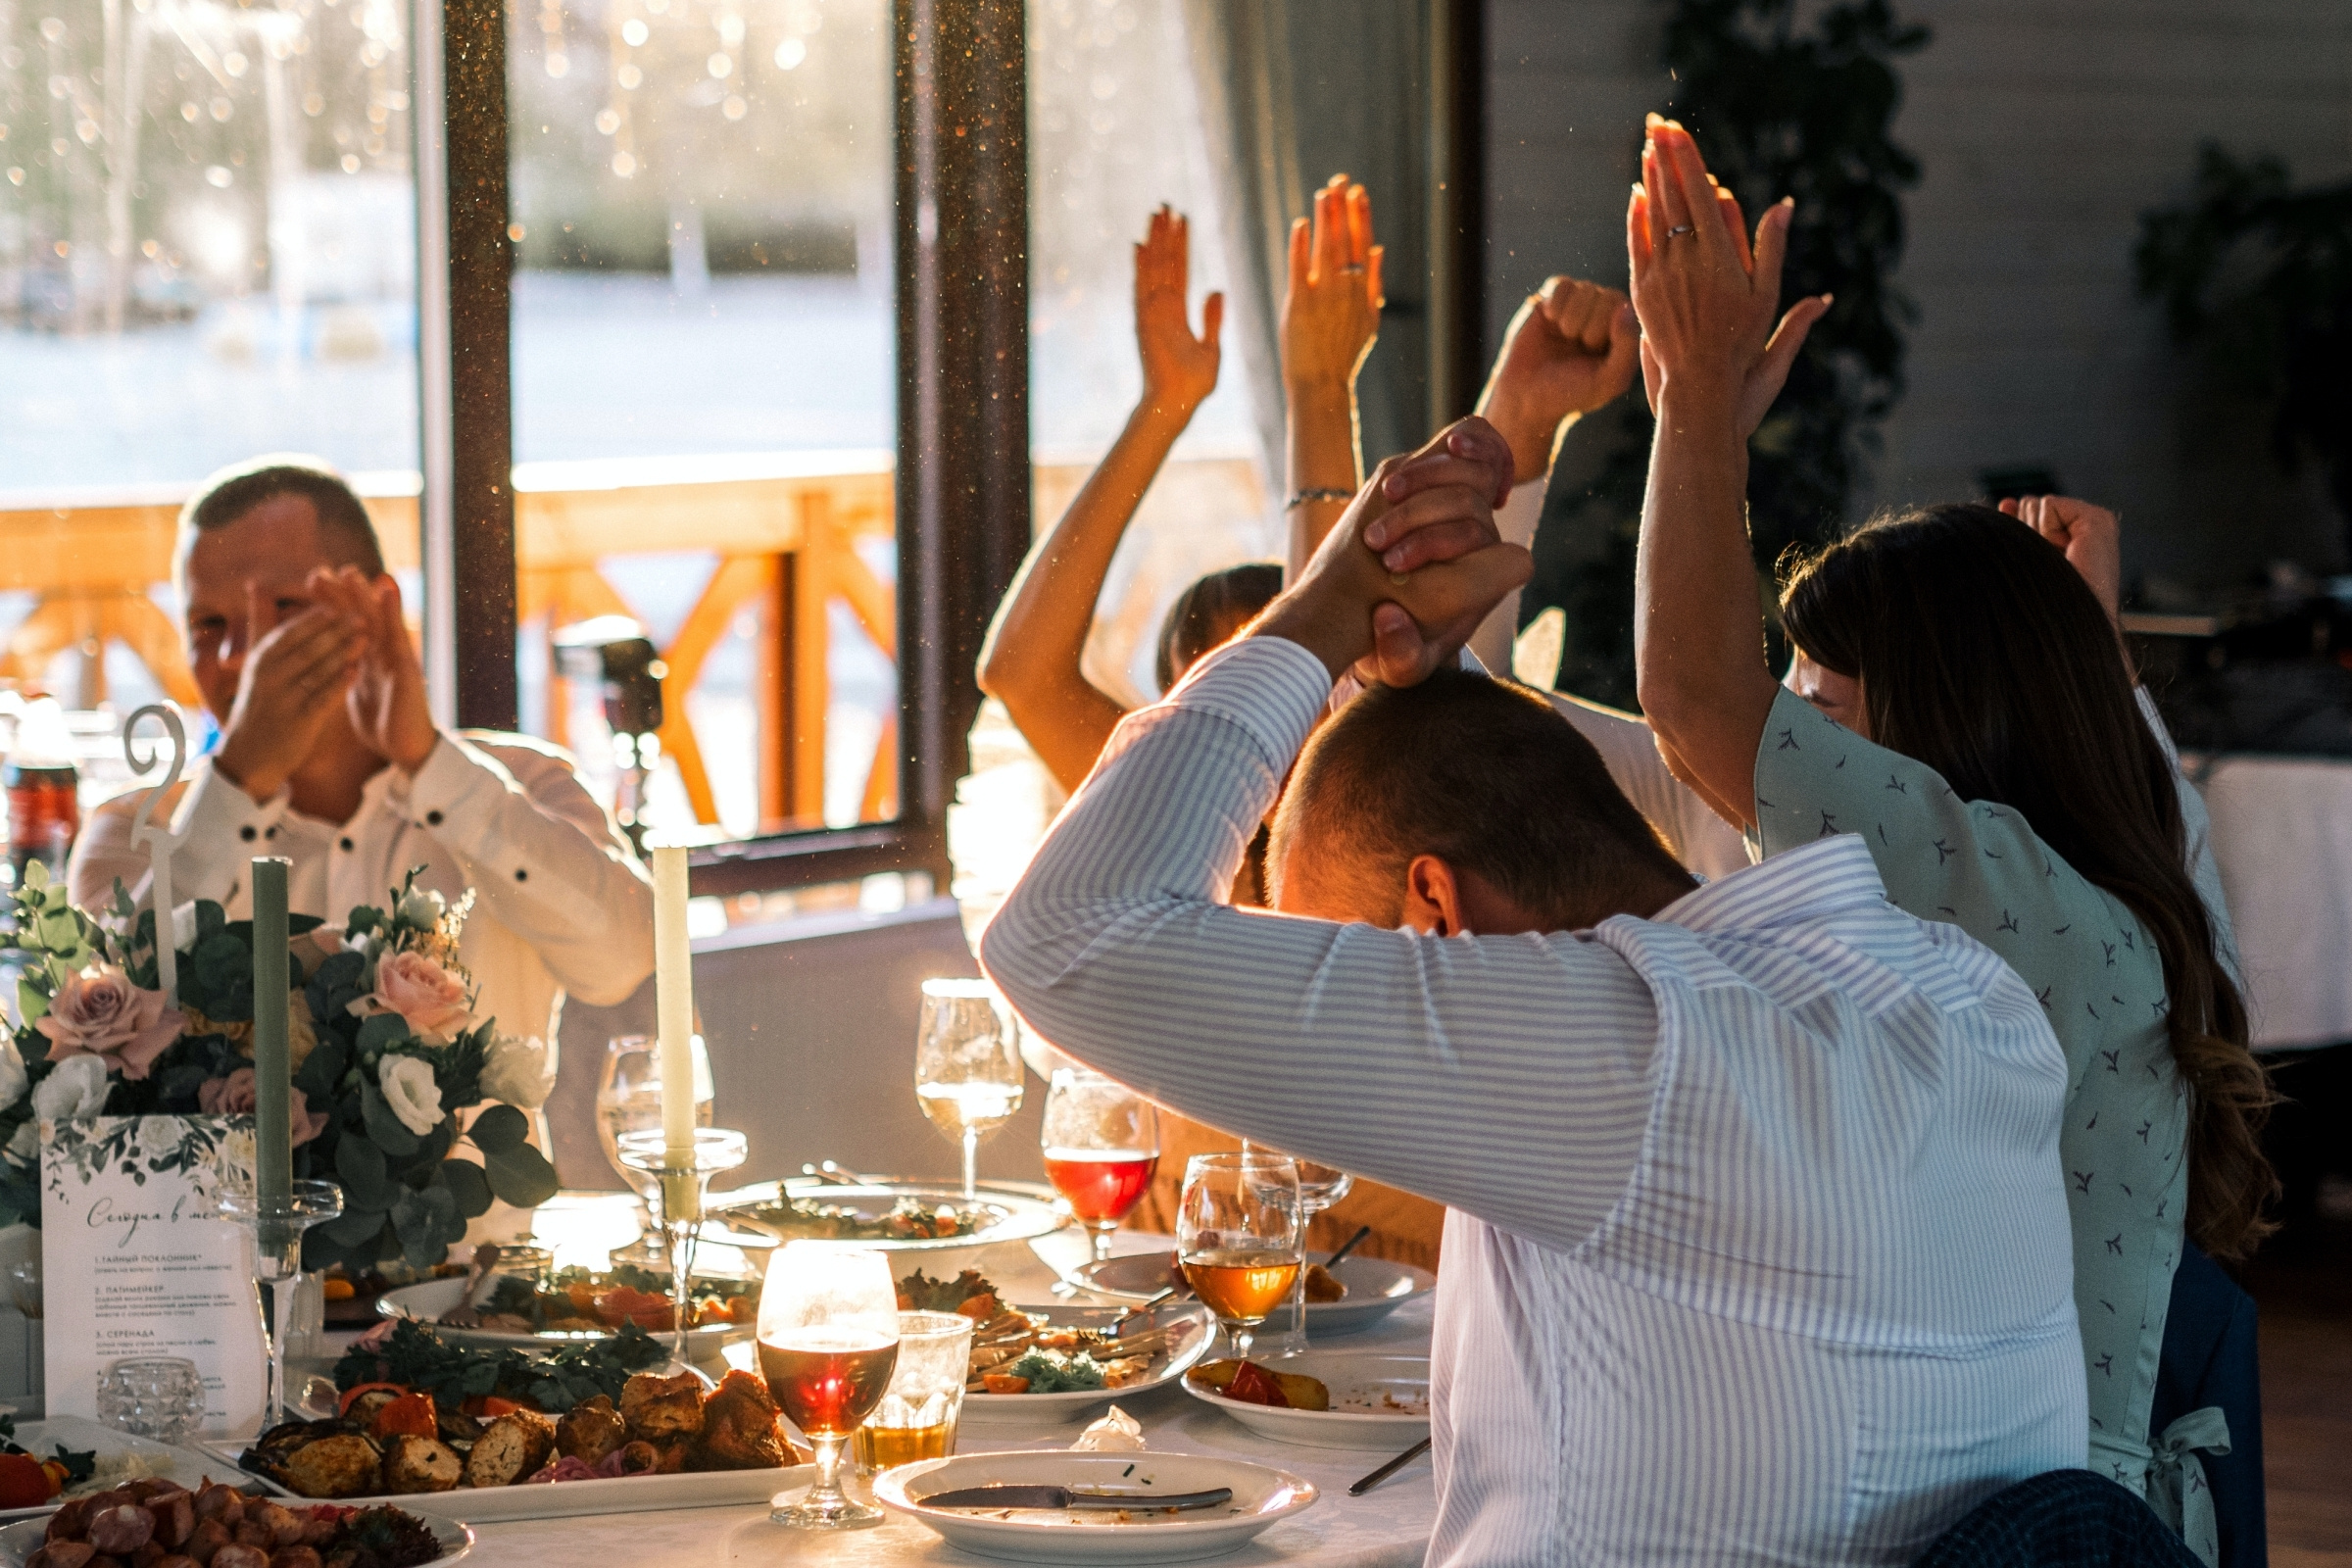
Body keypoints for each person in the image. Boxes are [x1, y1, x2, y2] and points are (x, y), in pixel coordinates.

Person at [981, 416, 2087, 1565]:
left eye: (1345, 957)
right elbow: (1498, 779)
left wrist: (1319, 612)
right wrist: (1411, 657)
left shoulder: (1640, 1052)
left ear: (1435, 918)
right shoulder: (1973, 1001)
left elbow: (1064, 935)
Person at [1620, 116, 2274, 1512]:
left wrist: (1686, 398)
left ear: (1943, 734)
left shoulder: (2037, 906)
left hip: (2018, 1531)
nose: (1792, 742)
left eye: (1828, 710)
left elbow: (1690, 692)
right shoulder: (2064, 892)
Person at [71, 457, 657, 1073]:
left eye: (285, 610)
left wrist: (431, 764)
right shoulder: (133, 831)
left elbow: (626, 959)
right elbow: (92, 1049)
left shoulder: (527, 784)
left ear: (376, 606)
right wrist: (237, 782)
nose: (241, 656)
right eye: (209, 623)